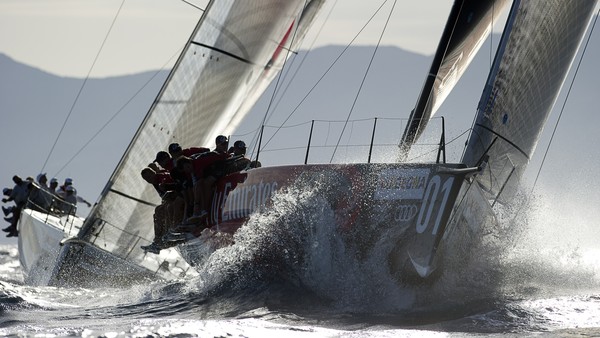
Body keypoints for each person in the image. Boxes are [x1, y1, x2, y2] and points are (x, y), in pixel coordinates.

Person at [177, 135, 231, 223]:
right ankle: (197, 212)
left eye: (187, 167)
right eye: (185, 169)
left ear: (189, 162)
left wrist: (226, 156)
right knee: (197, 187)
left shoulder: (199, 161)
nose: (188, 170)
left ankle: (204, 210)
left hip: (221, 167)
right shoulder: (191, 170)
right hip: (212, 171)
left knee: (205, 184)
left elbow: (218, 157)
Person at [139, 166, 185, 254]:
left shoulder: (162, 178)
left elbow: (175, 189)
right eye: (146, 179)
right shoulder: (155, 182)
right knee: (158, 211)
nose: (149, 180)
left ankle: (169, 232)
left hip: (181, 198)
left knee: (163, 209)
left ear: (153, 173)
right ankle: (158, 240)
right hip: (172, 201)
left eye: (149, 176)